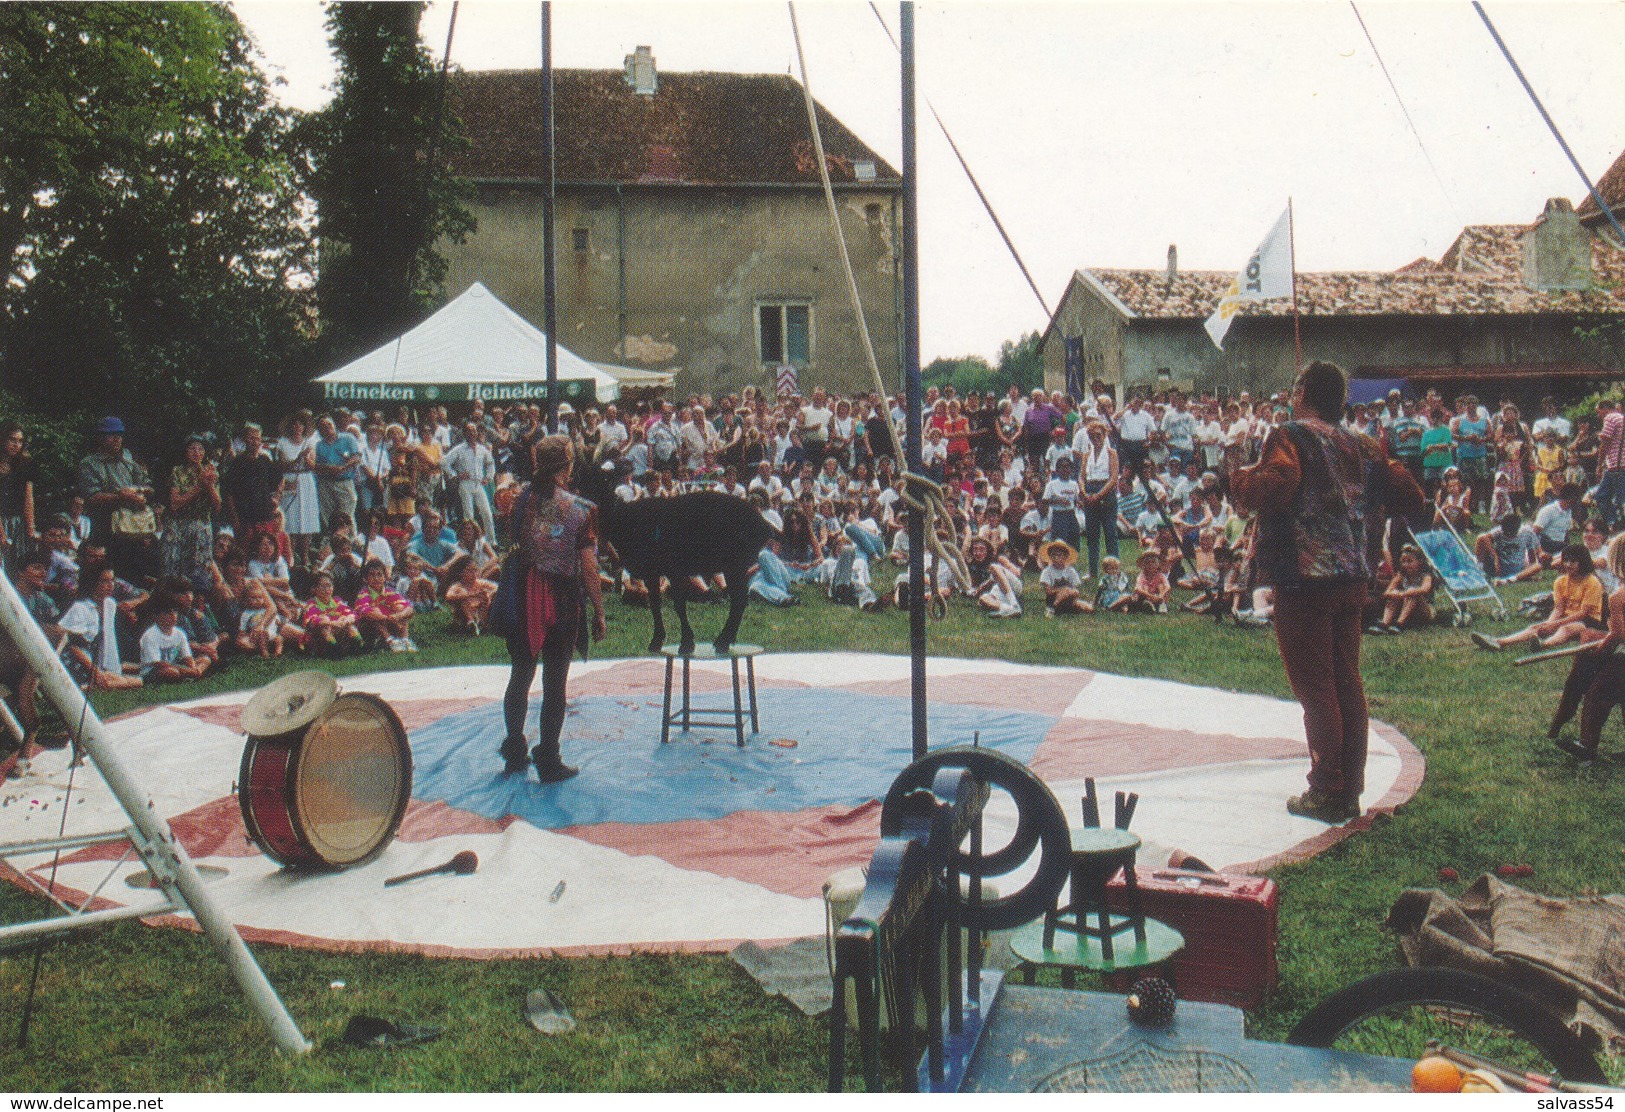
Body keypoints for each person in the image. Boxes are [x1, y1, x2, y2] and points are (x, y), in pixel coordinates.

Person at [1230, 360, 1424, 824]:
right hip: (1354, 574)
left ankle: (1326, 790)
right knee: (1346, 681)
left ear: (1302, 392)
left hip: (1305, 576)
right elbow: (1411, 495)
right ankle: (1349, 787)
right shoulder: (1363, 442)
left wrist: (1239, 474)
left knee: (1317, 688)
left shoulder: (1290, 435)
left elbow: (1275, 489)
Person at [498, 435, 606, 783]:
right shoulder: (582, 509)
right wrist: (599, 611)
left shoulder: (515, 500)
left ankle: (515, 749)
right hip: (558, 595)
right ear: (565, 467)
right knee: (555, 680)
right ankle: (548, 757)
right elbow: (589, 568)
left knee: (521, 673)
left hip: (521, 591)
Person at [1472, 542, 1603, 653]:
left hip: (1588, 621)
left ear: (1583, 562)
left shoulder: (1592, 582)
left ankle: (1543, 644)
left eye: (1573, 562)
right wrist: (1549, 624)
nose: (1568, 565)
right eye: (1566, 561)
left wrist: (1556, 624)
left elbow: (1583, 614)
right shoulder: (1560, 581)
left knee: (1567, 629)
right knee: (1537, 627)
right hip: (1566, 617)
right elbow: (1558, 608)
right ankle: (1500, 642)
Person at [162, 435, 220, 589]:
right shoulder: (178, 471)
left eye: (200, 448)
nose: (196, 452)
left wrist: (209, 486)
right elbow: (175, 503)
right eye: (192, 448)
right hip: (179, 526)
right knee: (175, 572)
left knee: (200, 573)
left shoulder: (211, 472)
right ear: (186, 451)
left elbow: (218, 505)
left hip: (201, 526)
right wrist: (199, 487)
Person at [1369, 544, 1435, 635]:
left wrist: (1405, 593)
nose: (1406, 564)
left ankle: (1400, 624)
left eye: (1410, 561)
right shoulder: (1401, 575)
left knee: (1413, 592)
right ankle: (1384, 624)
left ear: (1419, 562)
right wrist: (1395, 593)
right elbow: (1387, 592)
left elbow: (1425, 589)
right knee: (1394, 594)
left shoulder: (1425, 575)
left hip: (1424, 610)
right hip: (1408, 607)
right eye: (1403, 561)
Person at [0, 422, 38, 575]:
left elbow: (29, 499)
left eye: (20, 441)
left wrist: (30, 529)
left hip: (18, 522)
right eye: (12, 440)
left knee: (19, 567)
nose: (17, 444)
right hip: (2, 521)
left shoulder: (24, 465)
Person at [1038, 539, 1091, 615]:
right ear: (1050, 556)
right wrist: (1063, 590)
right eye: (1054, 555)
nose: (1056, 558)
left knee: (1088, 608)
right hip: (1053, 598)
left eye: (1059, 555)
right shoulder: (1047, 571)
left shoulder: (1071, 571)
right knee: (1067, 590)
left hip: (1070, 599)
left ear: (1065, 556)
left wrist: (1070, 593)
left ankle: (1069, 608)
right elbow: (1048, 591)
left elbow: (1075, 588)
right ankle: (1052, 608)